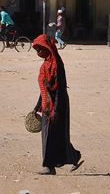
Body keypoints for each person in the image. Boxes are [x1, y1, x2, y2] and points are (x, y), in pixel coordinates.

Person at [31, 34, 84, 175]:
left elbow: (60, 89)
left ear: (48, 48)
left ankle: (48, 166)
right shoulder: (45, 65)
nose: (38, 52)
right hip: (46, 105)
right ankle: (72, 157)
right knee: (49, 136)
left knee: (56, 135)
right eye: (37, 50)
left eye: (41, 49)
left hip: (58, 105)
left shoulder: (57, 65)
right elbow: (44, 88)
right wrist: (37, 106)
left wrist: (56, 110)